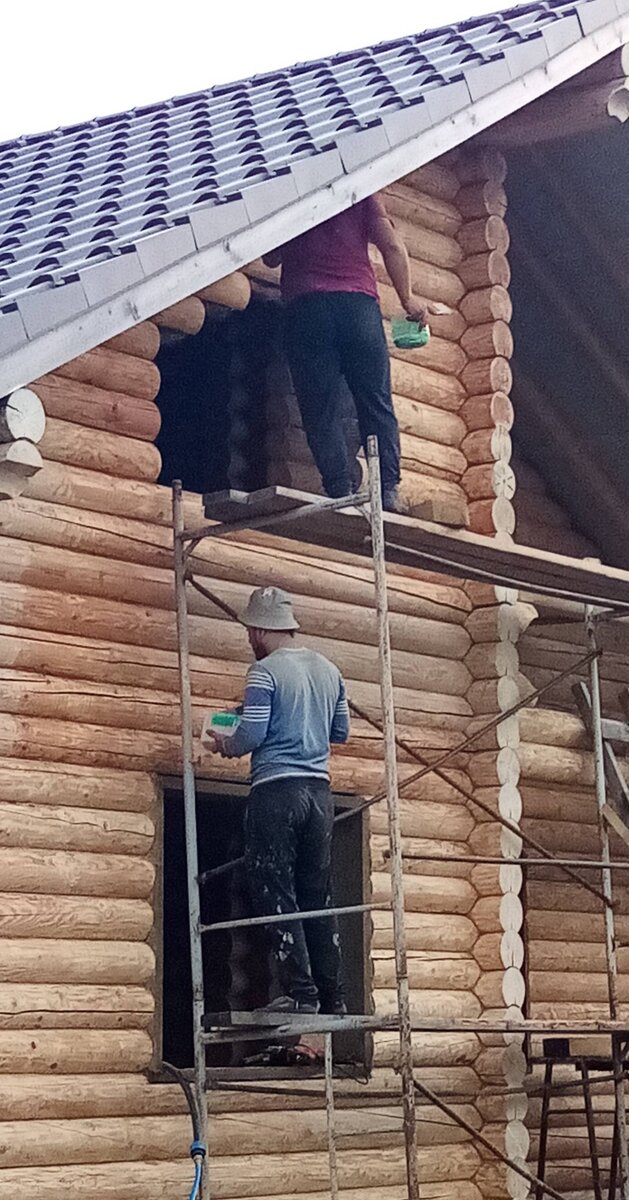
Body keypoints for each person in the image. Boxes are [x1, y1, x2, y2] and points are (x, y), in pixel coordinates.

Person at [209, 585, 350, 1016]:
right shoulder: (329, 669)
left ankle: (301, 995)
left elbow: (250, 734)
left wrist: (223, 743)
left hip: (277, 790)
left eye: (250, 632)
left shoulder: (264, 671)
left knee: (273, 889)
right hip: (319, 795)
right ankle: (333, 997)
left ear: (257, 629)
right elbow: (339, 732)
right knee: (316, 894)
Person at [263, 194, 432, 513]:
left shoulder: (292, 188)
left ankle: (340, 489)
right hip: (358, 309)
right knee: (375, 400)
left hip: (307, 308)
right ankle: (387, 491)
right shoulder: (360, 189)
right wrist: (408, 299)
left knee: (319, 406)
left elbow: (270, 257)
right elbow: (392, 245)